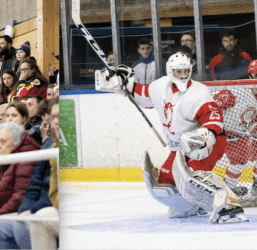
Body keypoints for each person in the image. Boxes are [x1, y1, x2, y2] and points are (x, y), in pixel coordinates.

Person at [96, 53, 246, 223]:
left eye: (186, 71)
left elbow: (213, 116)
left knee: (196, 173)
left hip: (208, 141)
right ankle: (195, 206)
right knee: (166, 181)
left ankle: (230, 207)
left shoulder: (199, 92)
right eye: (178, 72)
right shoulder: (159, 86)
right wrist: (124, 83)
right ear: (170, 71)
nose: (183, 75)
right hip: (181, 146)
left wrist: (206, 134)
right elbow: (142, 94)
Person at [0, 100, 57, 249]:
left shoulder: (29, 152)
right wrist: (24, 210)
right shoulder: (48, 145)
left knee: (21, 224)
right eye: (53, 117)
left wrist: (31, 210)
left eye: (3, 141)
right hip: (32, 207)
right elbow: (32, 188)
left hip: (47, 207)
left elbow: (22, 192)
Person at [0, 122, 41, 245]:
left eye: (3, 142)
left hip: (26, 211)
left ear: (16, 143)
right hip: (4, 214)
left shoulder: (26, 157)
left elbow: (19, 196)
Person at [215, 60, 257, 197]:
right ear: (251, 76)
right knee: (239, 159)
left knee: (241, 160)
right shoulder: (237, 91)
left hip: (240, 133)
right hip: (222, 131)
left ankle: (232, 188)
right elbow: (212, 105)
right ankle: (226, 189)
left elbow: (253, 120)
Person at [30, 97, 59, 250]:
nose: (56, 121)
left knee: (39, 219)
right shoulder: (54, 146)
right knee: (39, 219)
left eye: (61, 116)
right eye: (54, 116)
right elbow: (53, 191)